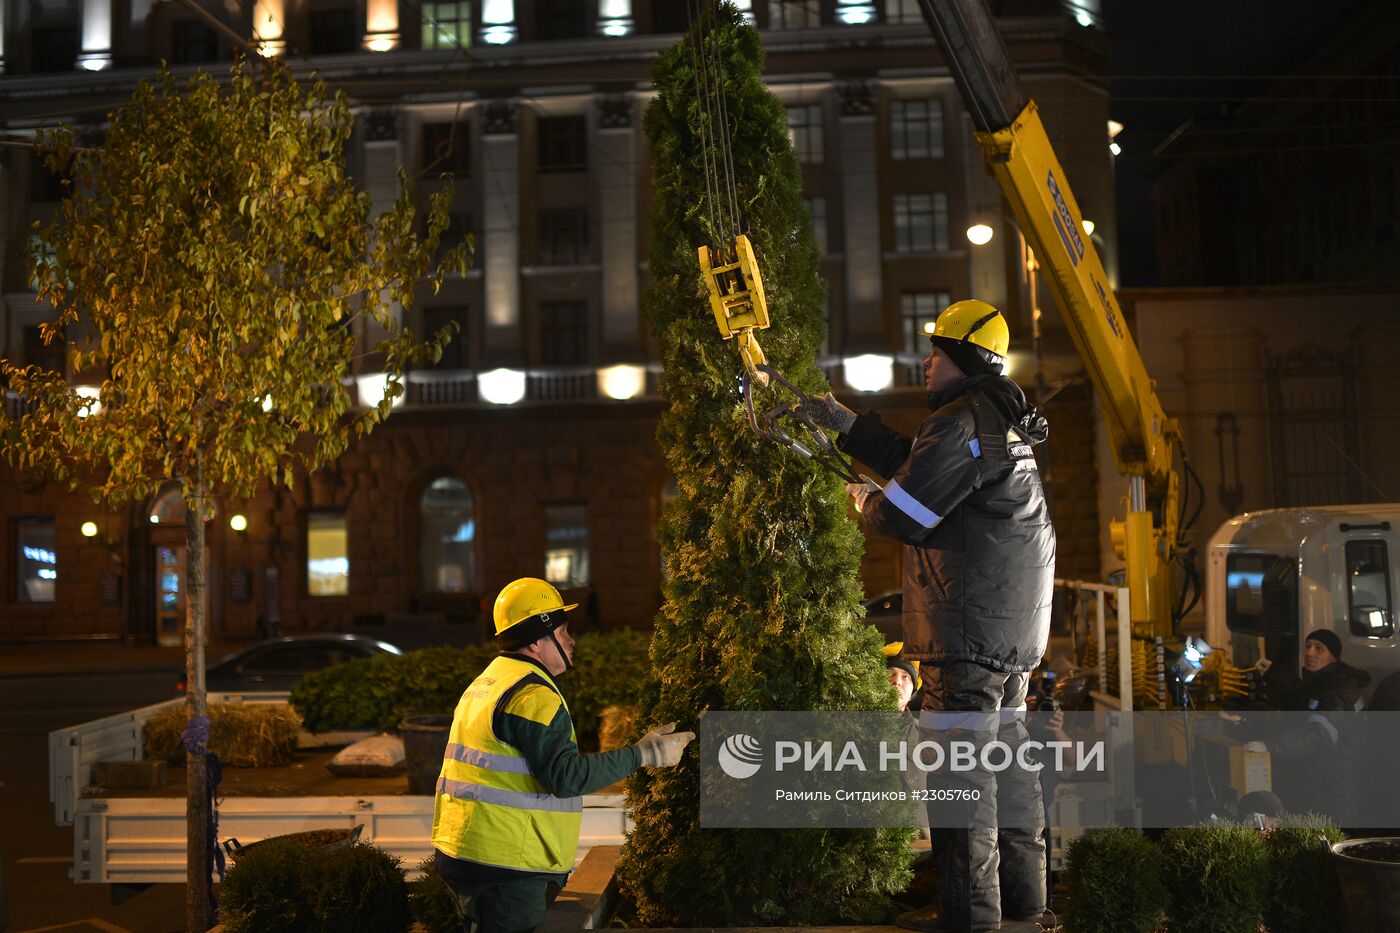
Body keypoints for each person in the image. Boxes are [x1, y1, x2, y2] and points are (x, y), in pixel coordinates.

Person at [806, 299, 1055, 933]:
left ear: (965, 360)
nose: (925, 361)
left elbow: (905, 511)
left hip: (965, 635)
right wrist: (844, 423)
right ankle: (1024, 905)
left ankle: (968, 918)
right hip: (1009, 634)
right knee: (1010, 769)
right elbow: (918, 462)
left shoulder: (964, 420)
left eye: (937, 352)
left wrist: (862, 500)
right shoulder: (997, 416)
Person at [431, 577, 694, 932]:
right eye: (563, 630)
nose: (571, 640)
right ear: (538, 642)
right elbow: (566, 777)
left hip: (465, 851)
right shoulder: (533, 695)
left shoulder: (490, 681)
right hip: (505, 866)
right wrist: (645, 754)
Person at [1250, 628, 1369, 823]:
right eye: (1307, 647)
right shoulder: (1321, 681)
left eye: (1319, 649)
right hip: (1317, 785)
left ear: (1333, 656)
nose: (1310, 653)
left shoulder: (1342, 690)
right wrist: (1273, 672)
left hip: (1334, 790)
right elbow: (1298, 692)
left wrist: (1270, 745)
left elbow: (1318, 736)